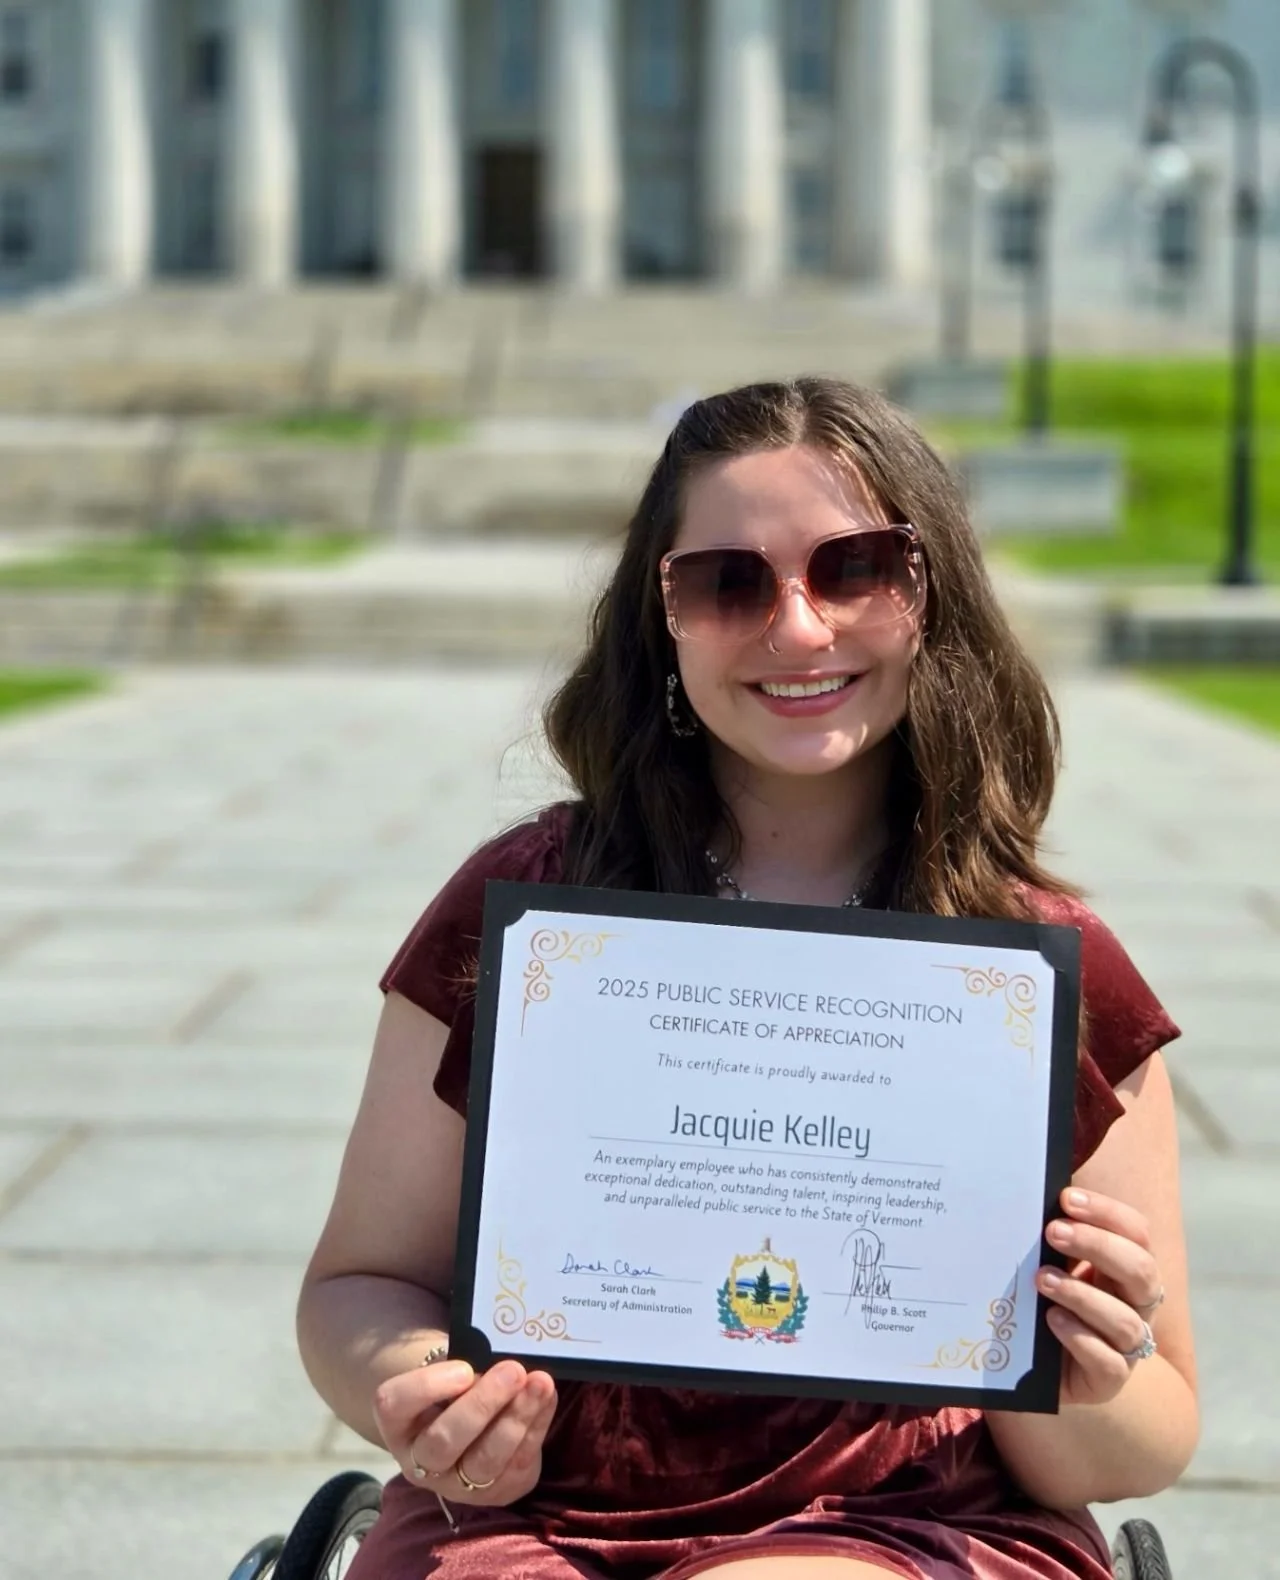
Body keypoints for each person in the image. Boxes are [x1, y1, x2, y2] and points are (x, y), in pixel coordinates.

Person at [296, 378, 1197, 1580]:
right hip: (536, 1511)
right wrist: (419, 1390)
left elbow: (1145, 1437)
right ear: (658, 616)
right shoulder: (532, 909)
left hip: (901, 1515)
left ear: (928, 594)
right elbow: (358, 1282)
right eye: (727, 582)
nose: (798, 627)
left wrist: (1079, 1371)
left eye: (853, 568)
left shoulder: (1037, 965)